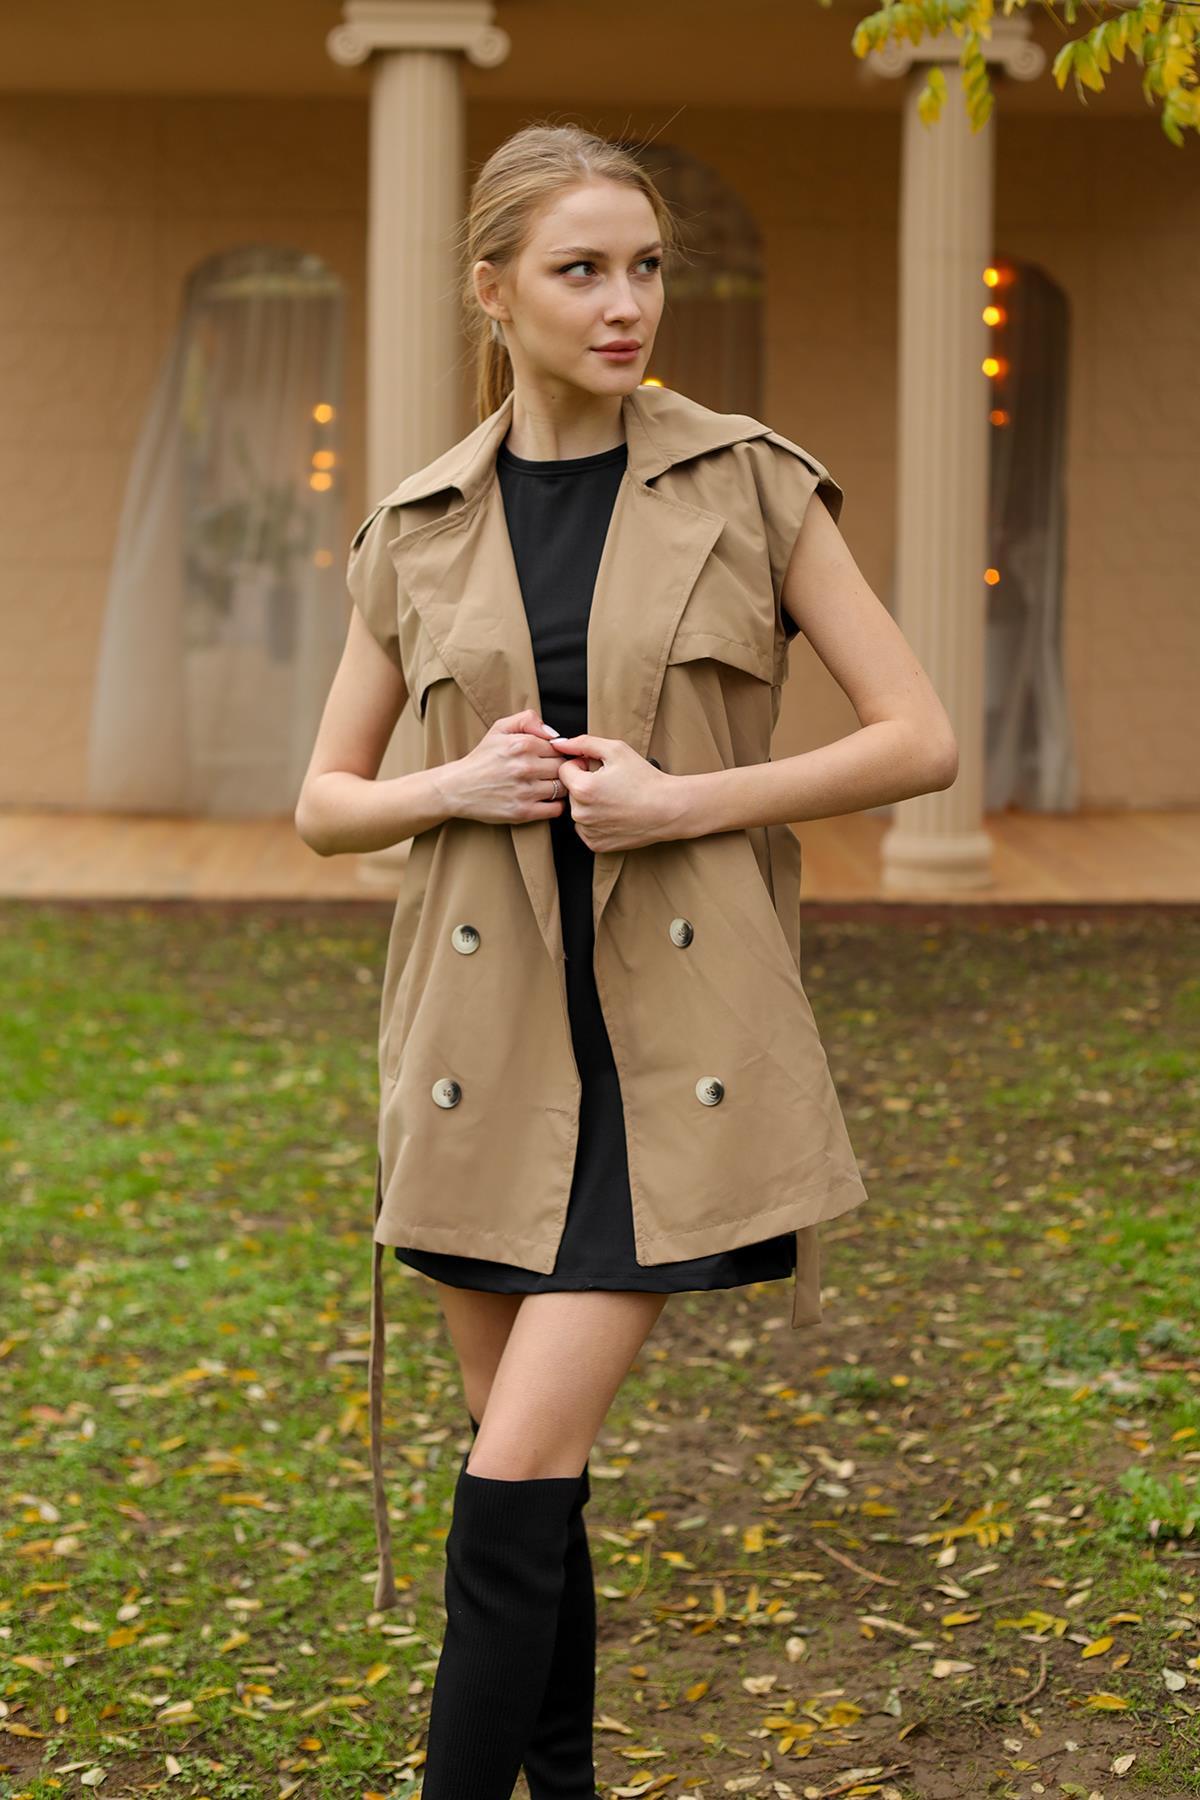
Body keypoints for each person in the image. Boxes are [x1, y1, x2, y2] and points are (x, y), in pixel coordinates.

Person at [295, 121, 957, 1800]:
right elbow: (323, 803)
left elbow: (919, 737)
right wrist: (452, 785)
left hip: (678, 1047)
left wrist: (679, 803)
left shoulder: (749, 483)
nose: (626, 303)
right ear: (492, 292)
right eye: (581, 269)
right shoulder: (418, 523)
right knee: (528, 1475)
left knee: (515, 1468)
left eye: (646, 266)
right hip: (482, 1045)